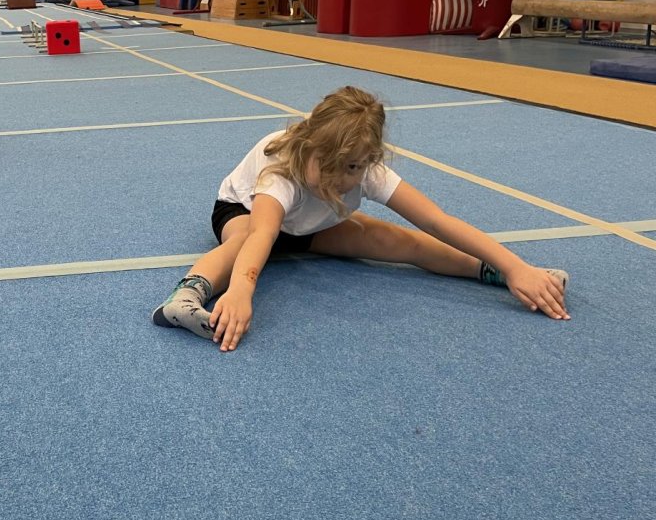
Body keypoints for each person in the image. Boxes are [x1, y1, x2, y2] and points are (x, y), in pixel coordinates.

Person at [152, 86, 570, 352]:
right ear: (308, 145)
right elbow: (264, 234)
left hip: (311, 226)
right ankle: (184, 297)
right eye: (329, 168)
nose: (340, 181)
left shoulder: (364, 168)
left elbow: (436, 221)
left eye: (352, 170)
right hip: (244, 214)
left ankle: (490, 271)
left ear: (368, 160)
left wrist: (515, 266)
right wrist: (241, 293)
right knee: (244, 241)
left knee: (396, 240)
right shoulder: (281, 169)